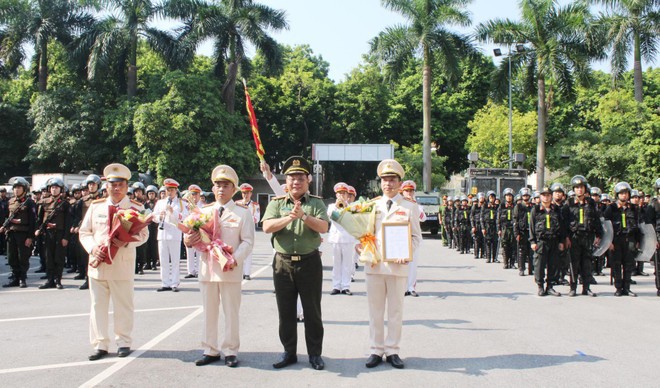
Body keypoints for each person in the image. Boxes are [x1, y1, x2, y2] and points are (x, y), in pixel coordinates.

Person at [262, 156, 329, 371]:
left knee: (312, 311)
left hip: (309, 263)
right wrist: (289, 218)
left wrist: (303, 217)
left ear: (308, 180)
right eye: (292, 177)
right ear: (286, 181)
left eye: (300, 177)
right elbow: (267, 227)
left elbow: (323, 227)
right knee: (286, 311)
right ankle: (289, 352)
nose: (296, 182)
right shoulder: (277, 203)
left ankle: (315, 354)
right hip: (282, 264)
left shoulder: (316, 202)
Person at [184, 165, 254, 367]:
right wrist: (189, 239)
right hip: (208, 269)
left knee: (231, 312)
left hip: (230, 270)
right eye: (218, 185)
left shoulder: (243, 213)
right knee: (209, 311)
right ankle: (210, 349)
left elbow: (248, 241)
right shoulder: (203, 212)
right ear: (213, 189)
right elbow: (190, 239)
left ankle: (231, 350)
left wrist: (235, 259)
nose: (221, 189)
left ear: (234, 189)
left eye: (226, 186)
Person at [79, 163, 149, 360]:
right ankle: (100, 344)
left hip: (122, 264)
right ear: (106, 186)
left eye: (120, 185)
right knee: (97, 306)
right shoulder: (96, 206)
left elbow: (144, 235)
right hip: (98, 264)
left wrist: (127, 242)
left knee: (123, 306)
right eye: (112, 184)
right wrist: (92, 248)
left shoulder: (136, 208)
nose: (116, 188)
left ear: (127, 187)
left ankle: (124, 342)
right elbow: (85, 232)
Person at [362, 160, 421, 370]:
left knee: (396, 311)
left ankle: (393, 349)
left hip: (397, 267)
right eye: (384, 180)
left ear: (399, 182)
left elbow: (416, 237)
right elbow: (362, 234)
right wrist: (361, 248)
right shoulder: (371, 205)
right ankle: (376, 349)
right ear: (380, 183)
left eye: (392, 179)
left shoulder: (409, 207)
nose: (388, 183)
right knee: (375, 310)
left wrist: (406, 253)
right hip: (374, 265)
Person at [562, 175, 603, 297]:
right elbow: (564, 223)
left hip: (587, 236)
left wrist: (598, 235)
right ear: (573, 189)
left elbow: (596, 220)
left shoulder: (591, 203)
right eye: (577, 188)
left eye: (581, 187)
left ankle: (587, 288)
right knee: (573, 263)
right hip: (574, 237)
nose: (579, 190)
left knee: (587, 263)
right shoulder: (568, 204)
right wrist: (566, 238)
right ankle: (573, 287)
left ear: (585, 189)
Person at [604, 182, 642, 297]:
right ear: (617, 195)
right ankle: (618, 288)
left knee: (629, 264)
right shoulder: (611, 208)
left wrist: (638, 241)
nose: (624, 196)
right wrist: (608, 242)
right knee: (616, 264)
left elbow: (638, 225)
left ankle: (627, 287)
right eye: (621, 193)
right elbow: (606, 225)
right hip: (616, 239)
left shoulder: (633, 208)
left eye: (625, 193)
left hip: (629, 238)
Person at [153, 179, 188, 292]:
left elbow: (185, 217)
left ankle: (174, 283)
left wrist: (174, 212)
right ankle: (165, 283)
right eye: (168, 189)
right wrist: (160, 217)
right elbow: (154, 217)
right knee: (163, 260)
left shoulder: (181, 203)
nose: (169, 192)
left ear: (176, 190)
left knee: (175, 260)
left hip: (174, 234)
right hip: (162, 234)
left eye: (172, 190)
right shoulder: (160, 203)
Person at [529, 186, 565, 297]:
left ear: (551, 196)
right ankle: (540, 286)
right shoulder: (535, 209)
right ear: (540, 197)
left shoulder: (556, 209)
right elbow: (531, 227)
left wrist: (561, 241)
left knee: (553, 265)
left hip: (554, 241)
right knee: (539, 265)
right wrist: (532, 241)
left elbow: (562, 227)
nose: (546, 197)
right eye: (544, 195)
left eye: (548, 195)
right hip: (541, 241)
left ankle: (550, 286)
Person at [36, 177, 71, 289]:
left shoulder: (65, 204)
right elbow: (39, 219)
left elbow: (67, 222)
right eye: (52, 187)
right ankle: (50, 279)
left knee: (59, 257)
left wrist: (66, 237)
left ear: (61, 190)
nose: (54, 190)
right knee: (48, 257)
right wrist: (39, 230)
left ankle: (58, 280)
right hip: (48, 234)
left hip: (60, 234)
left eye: (56, 188)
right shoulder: (44, 202)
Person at [1, 177, 37, 288]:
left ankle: (22, 278)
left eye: (19, 187)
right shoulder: (10, 201)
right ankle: (15, 277)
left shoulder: (29, 202)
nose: (16, 190)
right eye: (15, 187)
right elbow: (6, 216)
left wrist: (30, 237)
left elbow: (32, 221)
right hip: (11, 233)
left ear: (24, 189)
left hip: (23, 233)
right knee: (12, 257)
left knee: (23, 257)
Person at [327, 182, 357, 295]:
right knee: (336, 263)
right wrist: (338, 205)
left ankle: (345, 286)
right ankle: (336, 286)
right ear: (336, 195)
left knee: (347, 264)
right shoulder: (331, 206)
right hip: (336, 238)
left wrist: (345, 206)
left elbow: (351, 220)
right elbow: (333, 216)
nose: (342, 195)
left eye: (344, 193)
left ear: (347, 195)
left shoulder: (352, 207)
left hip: (348, 238)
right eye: (339, 193)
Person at [401, 180, 425, 297]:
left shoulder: (417, 205)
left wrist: (414, 206)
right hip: (401, 238)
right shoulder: (399, 205)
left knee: (413, 265)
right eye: (406, 191)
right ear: (402, 192)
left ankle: (411, 287)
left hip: (414, 238)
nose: (409, 193)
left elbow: (423, 218)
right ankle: (403, 288)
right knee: (402, 265)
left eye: (411, 191)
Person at [235, 183, 260, 280]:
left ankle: (247, 273)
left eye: (247, 193)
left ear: (251, 194)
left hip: (250, 229)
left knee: (249, 250)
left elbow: (257, 218)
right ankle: (239, 271)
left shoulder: (255, 205)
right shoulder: (237, 203)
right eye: (244, 193)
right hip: (239, 228)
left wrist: (248, 217)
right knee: (238, 249)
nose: (245, 195)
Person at [184, 184, 204, 279]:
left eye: (196, 194)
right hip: (188, 231)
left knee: (199, 251)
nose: (194, 196)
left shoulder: (203, 206)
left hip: (199, 230)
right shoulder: (186, 206)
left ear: (199, 195)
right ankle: (191, 271)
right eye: (192, 194)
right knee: (190, 251)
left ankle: (200, 270)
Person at [513, 188, 533, 276]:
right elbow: (515, 220)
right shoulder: (519, 206)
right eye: (524, 195)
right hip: (522, 231)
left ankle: (531, 269)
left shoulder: (533, 206)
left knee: (531, 252)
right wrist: (516, 233)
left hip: (531, 232)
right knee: (522, 251)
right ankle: (521, 268)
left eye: (527, 195)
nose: (526, 197)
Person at [497, 188, 516, 269]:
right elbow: (498, 219)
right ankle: (505, 263)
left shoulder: (515, 206)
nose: (509, 197)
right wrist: (499, 229)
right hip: (504, 229)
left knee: (513, 246)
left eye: (510, 196)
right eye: (507, 196)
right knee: (505, 246)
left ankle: (512, 263)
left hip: (513, 228)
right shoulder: (501, 206)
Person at [480, 191, 499, 263]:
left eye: (493, 197)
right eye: (490, 197)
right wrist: (483, 228)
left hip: (494, 226)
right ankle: (488, 257)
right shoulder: (484, 206)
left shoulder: (497, 206)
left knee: (495, 242)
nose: (492, 199)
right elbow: (481, 218)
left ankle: (494, 258)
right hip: (487, 226)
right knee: (488, 242)